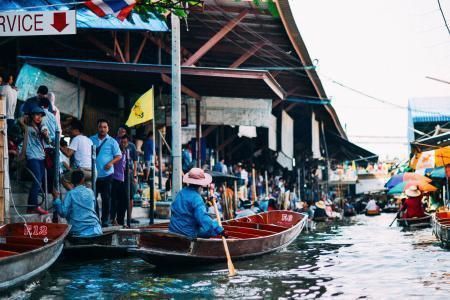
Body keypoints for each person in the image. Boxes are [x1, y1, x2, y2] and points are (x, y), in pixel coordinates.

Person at [168, 168, 225, 239]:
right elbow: (203, 218)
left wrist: (208, 204)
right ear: (201, 186)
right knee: (209, 231)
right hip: (187, 232)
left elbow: (190, 209)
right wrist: (219, 229)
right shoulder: (196, 198)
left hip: (173, 229)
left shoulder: (181, 193)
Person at [90, 119, 122, 227]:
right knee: (93, 198)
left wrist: (110, 163)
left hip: (107, 175)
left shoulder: (113, 141)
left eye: (104, 127)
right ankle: (95, 219)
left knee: (106, 199)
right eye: (100, 127)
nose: (102, 129)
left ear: (108, 128)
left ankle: (105, 221)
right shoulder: (91, 140)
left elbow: (119, 155)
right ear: (97, 128)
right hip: (94, 175)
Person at [19, 107, 50, 215]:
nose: (39, 117)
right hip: (32, 157)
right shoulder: (27, 127)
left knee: (39, 181)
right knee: (37, 180)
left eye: (40, 115)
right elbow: (20, 121)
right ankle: (35, 206)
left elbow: (48, 140)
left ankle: (30, 207)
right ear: (31, 116)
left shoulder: (41, 127)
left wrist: (45, 133)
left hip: (41, 157)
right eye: (36, 115)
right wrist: (26, 117)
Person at [52, 170, 102, 237]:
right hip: (96, 230)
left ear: (71, 181)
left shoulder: (70, 194)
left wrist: (57, 199)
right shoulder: (90, 192)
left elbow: (63, 213)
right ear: (83, 180)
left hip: (78, 231)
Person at [61, 120, 93, 188]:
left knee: (63, 179)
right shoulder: (89, 140)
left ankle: (74, 194)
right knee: (85, 192)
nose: (70, 131)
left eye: (71, 129)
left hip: (82, 171)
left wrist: (58, 146)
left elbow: (68, 154)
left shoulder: (76, 138)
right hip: (92, 172)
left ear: (76, 130)